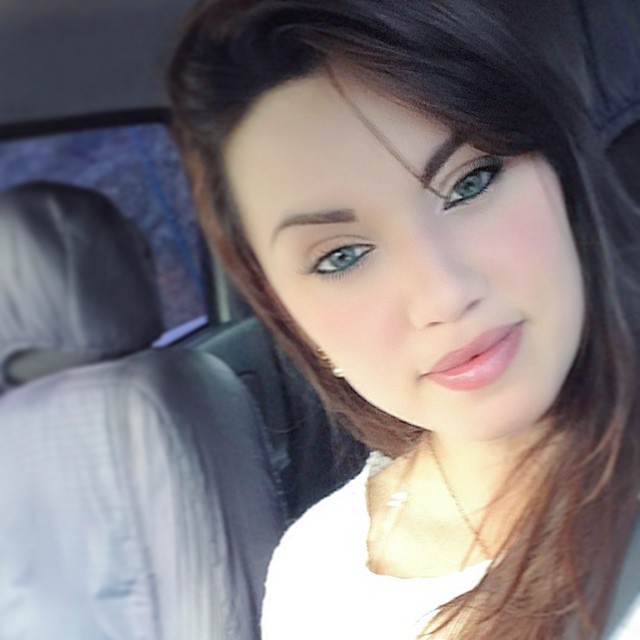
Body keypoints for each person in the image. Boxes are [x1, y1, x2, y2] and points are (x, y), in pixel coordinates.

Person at [167, 1, 640, 637]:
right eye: (341, 256)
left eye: (470, 183)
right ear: (290, 317)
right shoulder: (315, 575)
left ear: (562, 177)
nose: (443, 296)